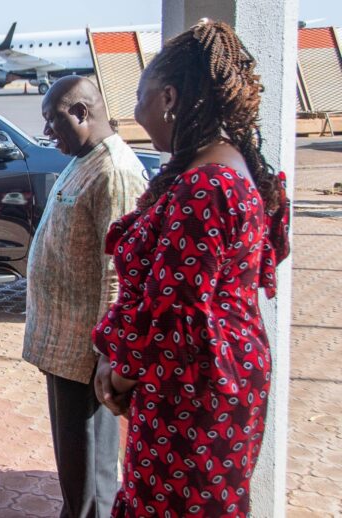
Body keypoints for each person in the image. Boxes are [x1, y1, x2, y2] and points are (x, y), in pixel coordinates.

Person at [92, 19, 290, 517]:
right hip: (215, 375)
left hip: (195, 389)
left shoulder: (205, 187)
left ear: (169, 98)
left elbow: (175, 310)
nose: (135, 114)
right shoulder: (226, 167)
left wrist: (119, 376)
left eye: (141, 98)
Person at [22, 75, 147, 518]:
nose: (48, 133)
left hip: (87, 357)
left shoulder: (116, 170)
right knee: (76, 475)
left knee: (93, 477)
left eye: (53, 122)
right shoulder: (84, 158)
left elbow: (120, 272)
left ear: (81, 112)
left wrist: (107, 355)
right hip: (67, 353)